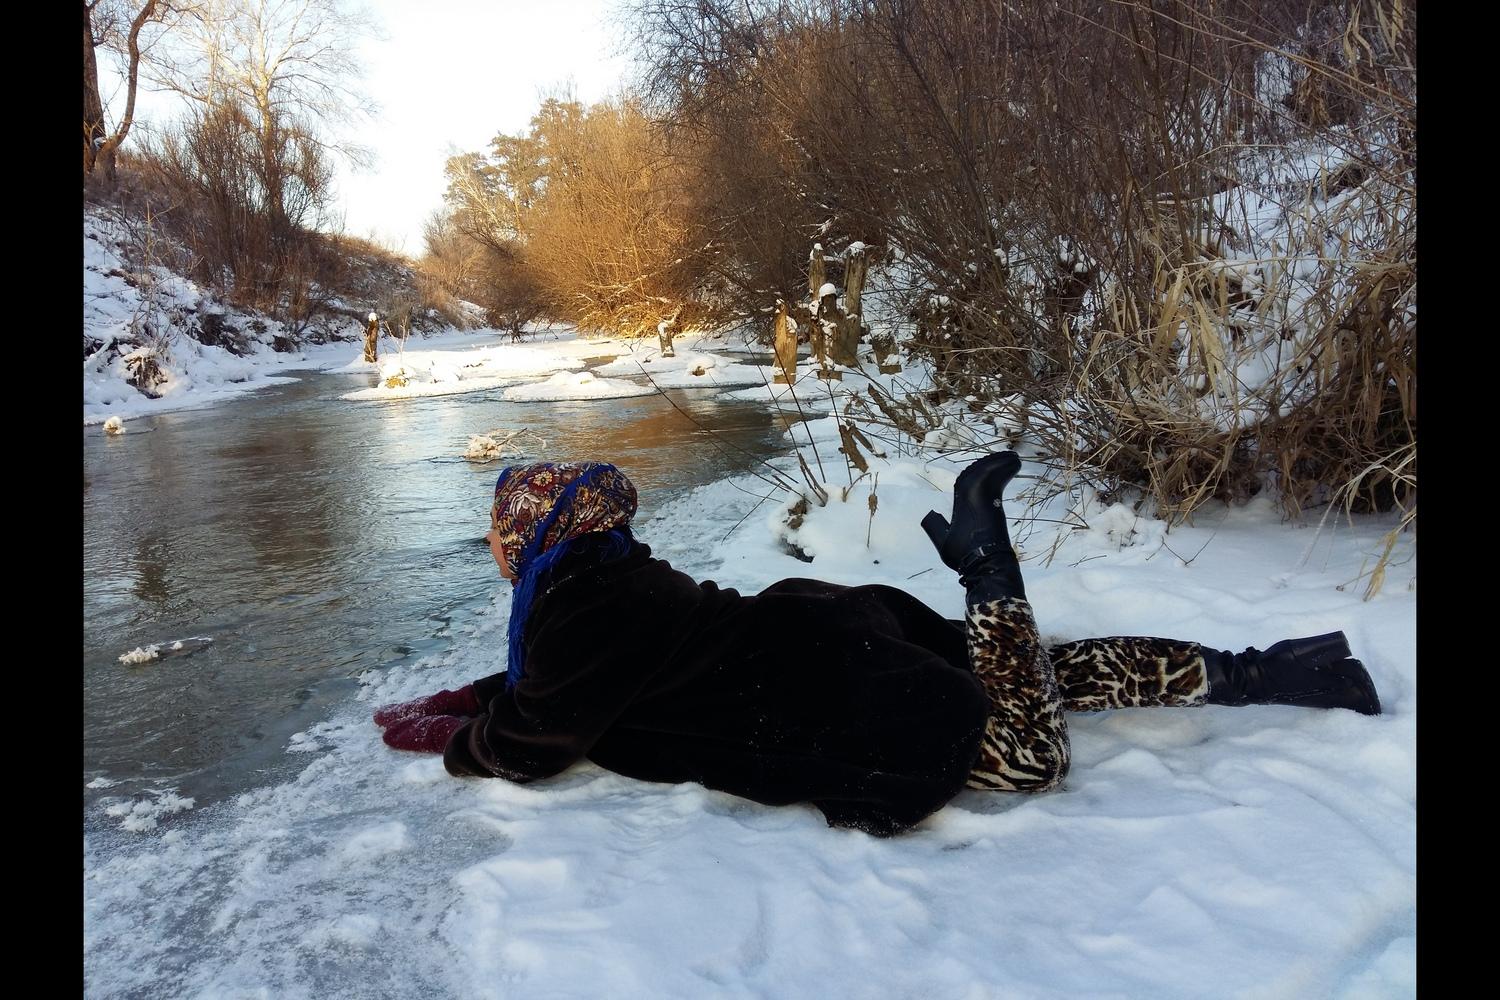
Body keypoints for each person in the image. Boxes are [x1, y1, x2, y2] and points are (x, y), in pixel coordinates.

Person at [374, 457, 1381, 837]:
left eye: (500, 534)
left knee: (1023, 751)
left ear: (532, 537)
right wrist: (474, 691)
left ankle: (990, 572)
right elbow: (572, 677)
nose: (496, 550)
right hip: (825, 624)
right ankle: (1275, 668)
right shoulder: (616, 572)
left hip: (823, 690)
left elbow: (534, 738)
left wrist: (455, 740)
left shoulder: (577, 609)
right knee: (1026, 673)